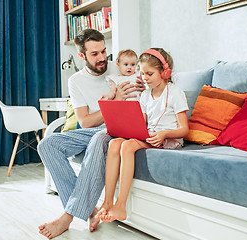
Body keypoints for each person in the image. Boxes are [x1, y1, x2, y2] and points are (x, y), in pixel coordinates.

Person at [37, 29, 144, 239]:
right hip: (92, 130)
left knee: (98, 138)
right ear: (82, 56)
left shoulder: (121, 67)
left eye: (104, 51)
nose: (102, 58)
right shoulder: (76, 81)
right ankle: (89, 210)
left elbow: (146, 77)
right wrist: (114, 102)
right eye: (94, 54)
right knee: (46, 145)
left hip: (115, 131)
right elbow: (85, 122)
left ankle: (67, 217)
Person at [95, 48, 189, 223]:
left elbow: (185, 130)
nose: (144, 77)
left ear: (164, 72)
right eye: (142, 73)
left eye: (149, 73)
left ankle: (121, 205)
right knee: (115, 143)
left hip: (170, 140)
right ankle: (107, 202)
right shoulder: (145, 95)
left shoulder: (175, 93)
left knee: (128, 146)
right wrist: (124, 128)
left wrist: (164, 133)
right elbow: (141, 124)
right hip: (151, 136)